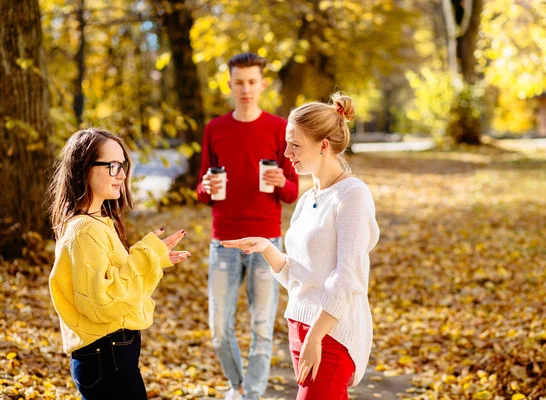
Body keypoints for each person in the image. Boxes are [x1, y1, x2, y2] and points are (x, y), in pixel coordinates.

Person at [222, 93, 380, 400]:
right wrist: (267, 248)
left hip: (330, 334)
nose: (286, 152)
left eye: (295, 144)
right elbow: (298, 274)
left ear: (323, 145)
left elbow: (347, 275)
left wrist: (316, 337)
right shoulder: (308, 199)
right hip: (301, 327)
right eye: (286, 143)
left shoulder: (352, 195)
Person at [48, 127, 191, 400]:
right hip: (107, 354)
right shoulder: (84, 230)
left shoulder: (98, 222)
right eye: (113, 166)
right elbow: (102, 302)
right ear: (85, 168)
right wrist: (145, 255)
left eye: (123, 166)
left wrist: (154, 258)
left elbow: (115, 280)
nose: (122, 175)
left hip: (109, 353)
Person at [196, 52, 299, 400]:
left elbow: (291, 193)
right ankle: (238, 385)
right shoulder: (215, 129)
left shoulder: (278, 128)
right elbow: (201, 189)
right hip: (223, 242)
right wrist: (206, 189)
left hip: (266, 241)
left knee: (261, 328)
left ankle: (250, 395)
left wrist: (281, 180)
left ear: (263, 84)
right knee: (219, 330)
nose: (246, 89)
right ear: (230, 84)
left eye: (252, 82)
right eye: (239, 82)